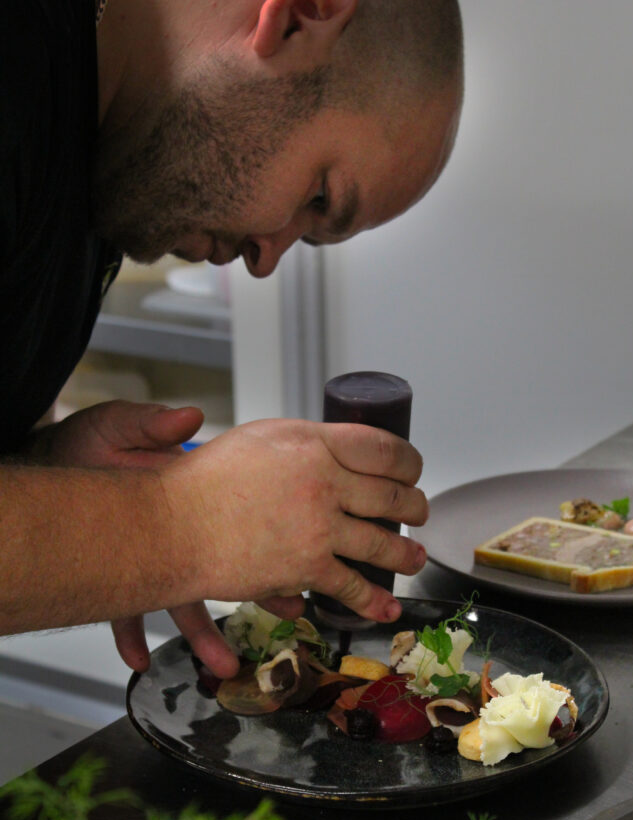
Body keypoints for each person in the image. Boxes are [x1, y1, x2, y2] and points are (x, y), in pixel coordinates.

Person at [0, 0, 464, 680]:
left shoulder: (104, 138)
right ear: (301, 16)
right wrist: (175, 526)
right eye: (317, 197)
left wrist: (59, 481)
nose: (265, 258)